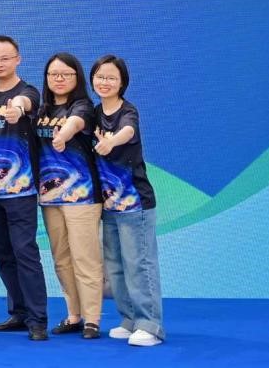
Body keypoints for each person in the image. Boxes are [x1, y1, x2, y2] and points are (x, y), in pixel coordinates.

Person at [0, 36, 48, 341]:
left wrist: (17, 108)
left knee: (25, 252)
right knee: (3, 255)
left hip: (21, 192)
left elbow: (25, 103)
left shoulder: (28, 92)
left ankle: (38, 319)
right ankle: (19, 312)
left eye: (5, 58)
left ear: (18, 59)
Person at [91, 55, 164, 347]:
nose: (105, 82)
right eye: (100, 76)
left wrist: (111, 141)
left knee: (139, 264)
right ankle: (130, 319)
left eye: (111, 78)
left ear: (122, 82)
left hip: (135, 204)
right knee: (115, 266)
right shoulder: (94, 113)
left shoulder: (127, 111)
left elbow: (128, 131)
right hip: (109, 205)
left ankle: (150, 325)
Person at [36, 52, 103, 340]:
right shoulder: (41, 110)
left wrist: (63, 134)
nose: (59, 79)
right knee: (61, 259)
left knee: (85, 258)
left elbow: (75, 122)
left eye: (66, 74)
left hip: (82, 196)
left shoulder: (83, 106)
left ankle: (92, 319)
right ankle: (74, 315)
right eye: (53, 74)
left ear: (77, 77)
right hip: (50, 198)